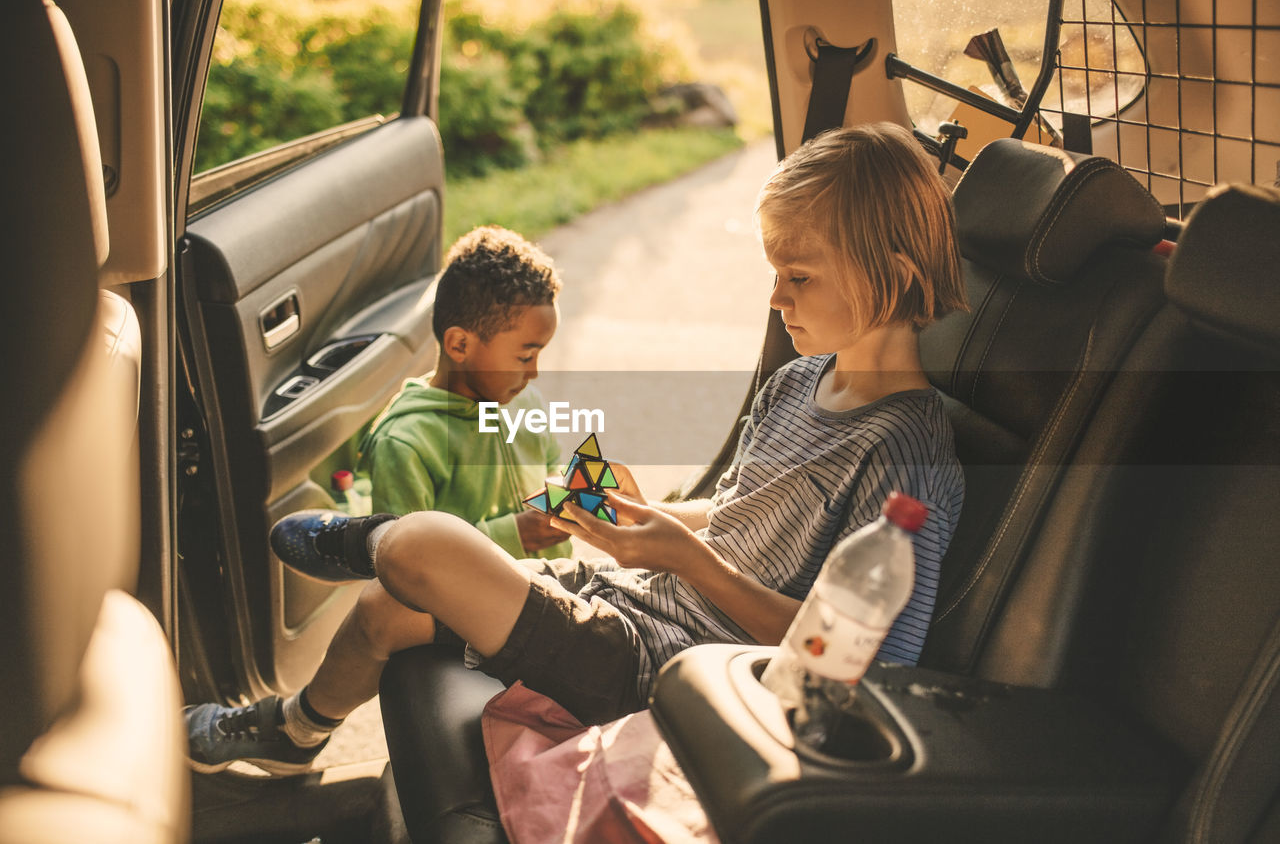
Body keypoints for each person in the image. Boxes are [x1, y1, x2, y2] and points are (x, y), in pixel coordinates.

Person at [266, 122, 968, 736]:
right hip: (641, 605)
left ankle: (364, 538)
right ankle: (293, 731)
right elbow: (734, 517)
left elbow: (858, 661)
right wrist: (642, 518)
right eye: (775, 272)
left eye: (800, 276)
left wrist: (686, 559)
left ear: (894, 274)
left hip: (679, 667)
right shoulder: (795, 382)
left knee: (423, 544)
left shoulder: (906, 453)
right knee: (386, 605)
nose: (777, 296)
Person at [185, 225, 571, 774]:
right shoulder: (406, 442)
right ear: (459, 344)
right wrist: (516, 532)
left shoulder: (521, 399)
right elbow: (412, 573)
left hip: (541, 593)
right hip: (473, 619)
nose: (534, 372)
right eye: (525, 354)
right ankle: (298, 720)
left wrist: (572, 495)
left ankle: (296, 716)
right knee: (393, 576)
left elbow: (553, 461)